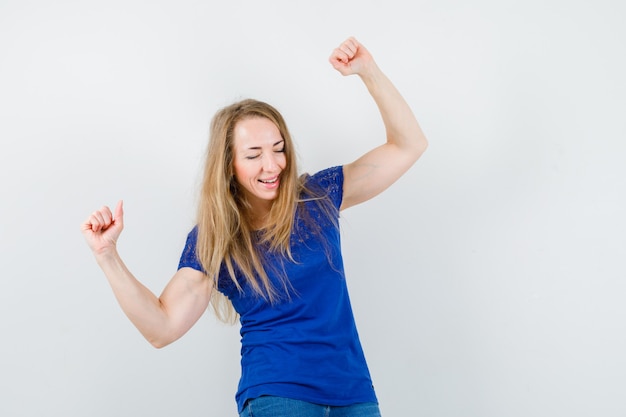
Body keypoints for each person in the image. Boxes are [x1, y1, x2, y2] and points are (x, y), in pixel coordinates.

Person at [81, 36, 428, 417]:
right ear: (228, 164)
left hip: (355, 395)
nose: (272, 165)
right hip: (278, 397)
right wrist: (107, 256)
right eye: (253, 154)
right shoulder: (215, 239)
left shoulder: (318, 196)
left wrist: (368, 71)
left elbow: (408, 145)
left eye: (279, 149)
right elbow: (162, 327)